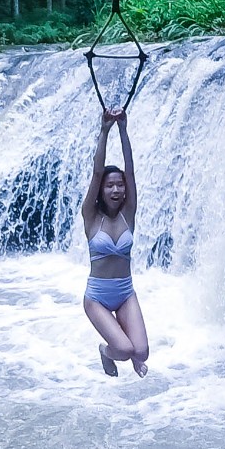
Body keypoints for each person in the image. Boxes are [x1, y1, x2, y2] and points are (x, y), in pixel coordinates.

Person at [81, 107, 149, 377]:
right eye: (110, 185)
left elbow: (130, 171)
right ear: (101, 190)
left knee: (141, 352)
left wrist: (124, 129)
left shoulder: (128, 213)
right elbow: (97, 172)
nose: (117, 189)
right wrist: (105, 130)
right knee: (122, 350)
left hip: (125, 293)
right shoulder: (91, 216)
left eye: (120, 185)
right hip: (97, 297)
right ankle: (105, 350)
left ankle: (131, 355)